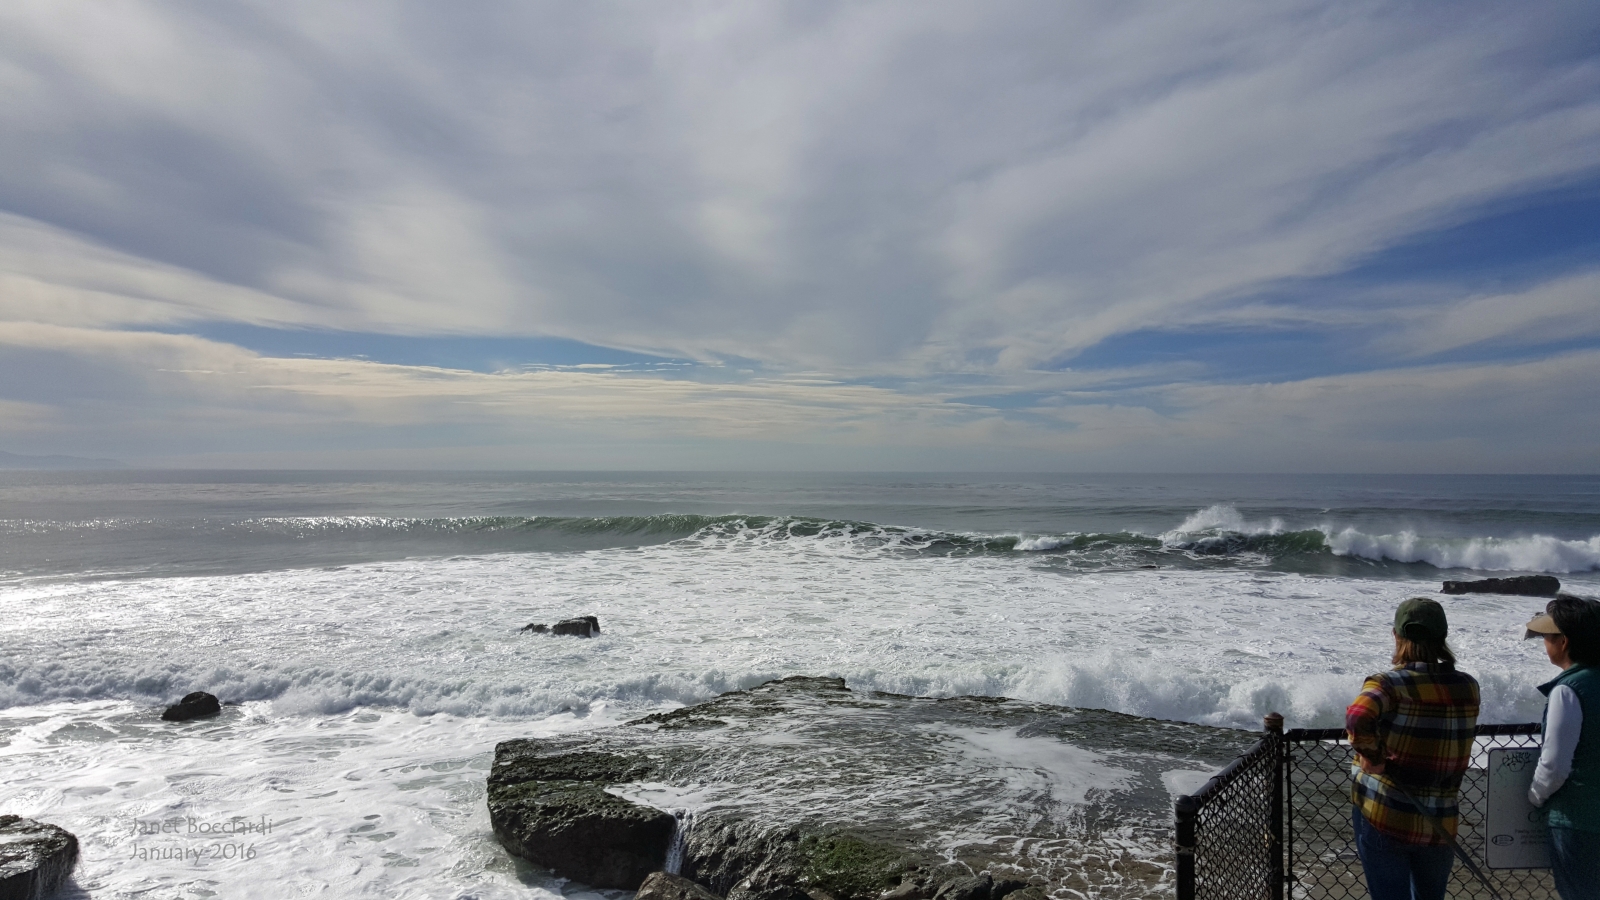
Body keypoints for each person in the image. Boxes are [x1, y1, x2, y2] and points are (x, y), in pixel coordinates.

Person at [1345, 597, 1480, 900]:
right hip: (1439, 819)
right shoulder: (1468, 686)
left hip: (1387, 812)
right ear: (1442, 638)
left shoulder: (1388, 684)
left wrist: (1374, 757)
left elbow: (1357, 717)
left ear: (1397, 636)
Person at [1525, 593, 1600, 900]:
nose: (1544, 642)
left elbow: (1555, 765)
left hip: (1579, 821)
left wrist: (1535, 796)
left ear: (1564, 642)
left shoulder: (1569, 689)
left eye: (1547, 636)